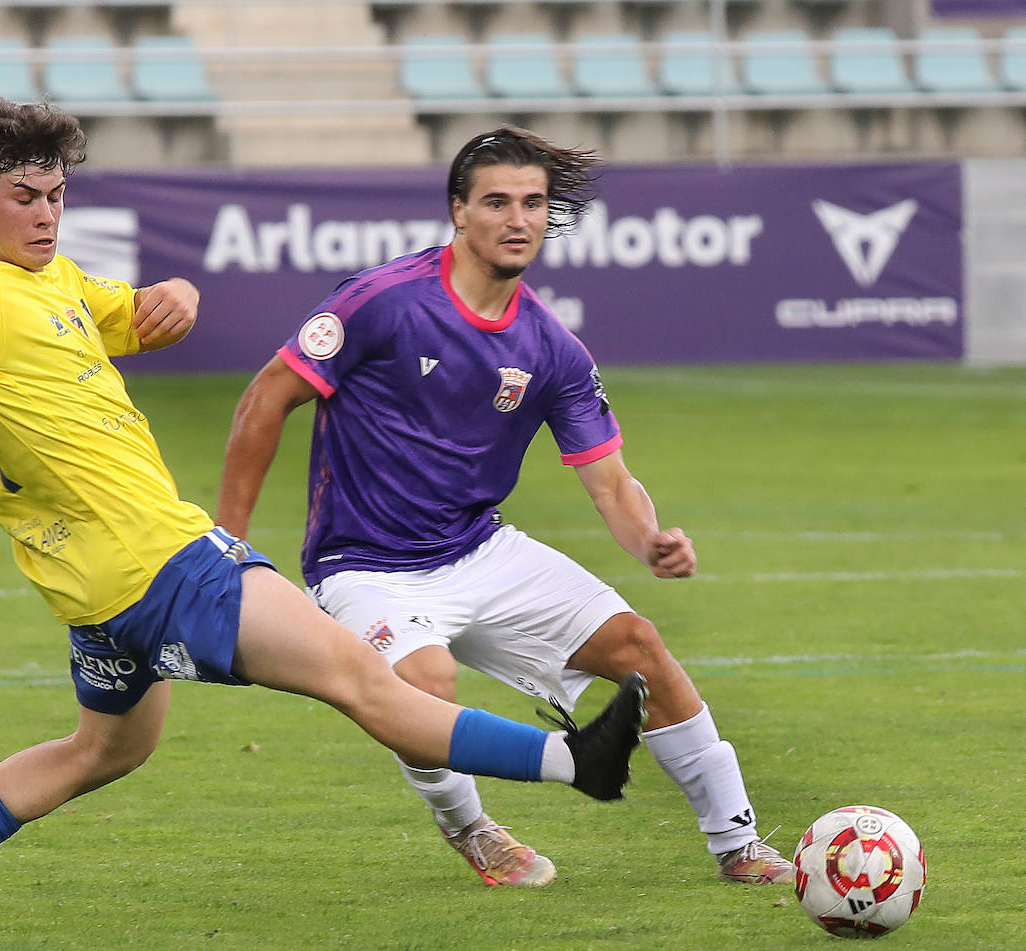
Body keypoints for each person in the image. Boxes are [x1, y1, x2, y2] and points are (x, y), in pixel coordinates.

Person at [0, 102, 649, 926]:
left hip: (93, 591)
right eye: (22, 197)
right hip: (164, 560)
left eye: (54, 195)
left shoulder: (60, 282)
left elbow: (144, 314)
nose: (43, 215)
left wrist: (183, 295)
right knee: (365, 679)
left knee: (105, 748)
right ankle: (577, 764)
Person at [215, 126, 794, 889]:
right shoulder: (383, 303)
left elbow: (612, 483)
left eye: (532, 203)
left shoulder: (553, 348)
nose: (518, 219)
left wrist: (650, 540)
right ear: (459, 211)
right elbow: (266, 398)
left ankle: (739, 844)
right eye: (496, 202)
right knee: (425, 684)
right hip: (364, 566)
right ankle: (473, 829)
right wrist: (229, 543)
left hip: (479, 551)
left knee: (639, 649)